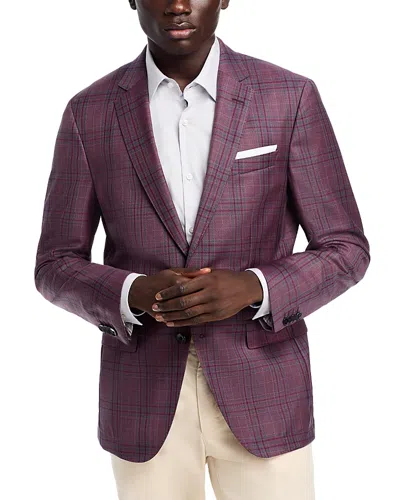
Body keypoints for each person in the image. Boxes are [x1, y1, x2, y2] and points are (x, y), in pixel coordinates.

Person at [34, 1, 371, 498]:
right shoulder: (90, 112)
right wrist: (133, 292)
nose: (178, 5)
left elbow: (345, 248)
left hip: (265, 391)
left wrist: (254, 287)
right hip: (144, 400)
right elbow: (54, 264)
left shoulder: (288, 96)